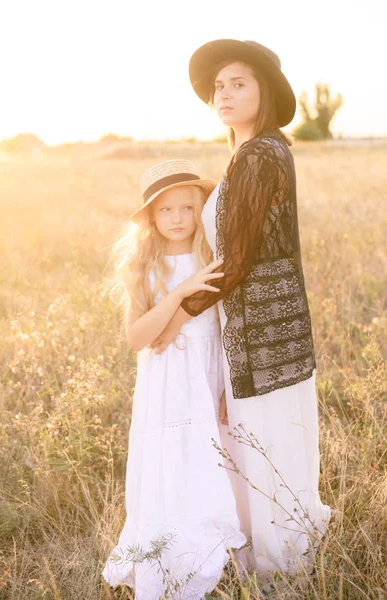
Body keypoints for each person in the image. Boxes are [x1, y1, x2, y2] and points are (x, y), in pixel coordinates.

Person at [150, 40, 331, 584]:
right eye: (219, 87)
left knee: (268, 448)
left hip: (265, 333)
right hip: (260, 329)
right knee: (266, 449)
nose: (224, 94)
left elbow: (239, 259)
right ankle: (281, 553)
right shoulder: (254, 153)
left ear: (264, 92)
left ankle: (281, 571)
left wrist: (173, 315)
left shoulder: (259, 156)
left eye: (239, 84)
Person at [101, 159, 246, 599]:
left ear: (200, 208)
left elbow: (223, 327)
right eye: (166, 211)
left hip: (206, 371)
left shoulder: (211, 257)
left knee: (209, 456)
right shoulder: (145, 267)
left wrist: (227, 386)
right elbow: (140, 337)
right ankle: (170, 551)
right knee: (171, 457)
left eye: (187, 207)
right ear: (151, 218)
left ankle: (214, 548)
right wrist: (180, 293)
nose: (178, 218)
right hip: (164, 379)